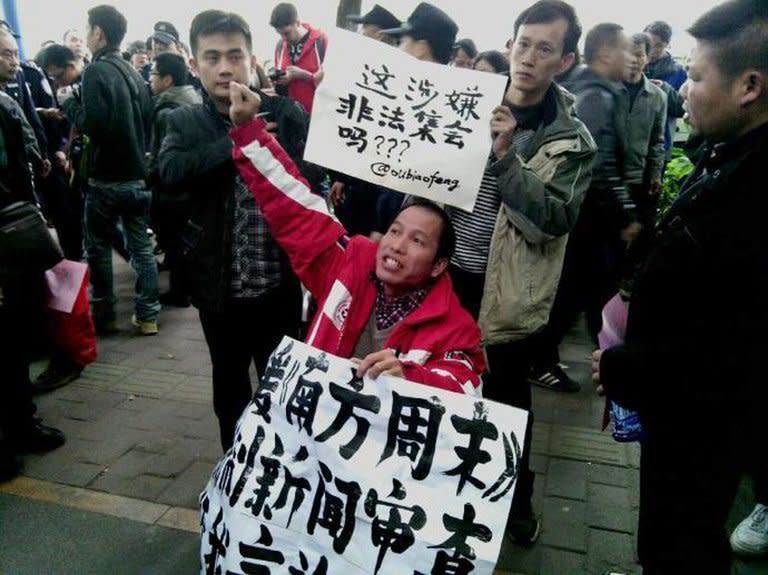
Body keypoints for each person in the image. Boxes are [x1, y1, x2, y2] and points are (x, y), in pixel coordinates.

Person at [593, 0, 768, 571]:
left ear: (749, 85)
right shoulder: (730, 157)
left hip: (700, 423)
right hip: (680, 414)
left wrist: (622, 369)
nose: (683, 91)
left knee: (683, 539)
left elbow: (728, 350)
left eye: (694, 77)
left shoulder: (753, 202)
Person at [445, 0, 595, 543]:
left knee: (508, 404)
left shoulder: (573, 141)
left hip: (508, 294)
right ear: (510, 45)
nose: (529, 58)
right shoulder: (466, 104)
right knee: (443, 394)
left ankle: (518, 501)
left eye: (545, 49)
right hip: (451, 277)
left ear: (565, 60)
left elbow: (553, 218)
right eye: (522, 43)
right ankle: (445, 495)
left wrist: (507, 158)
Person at [228, 82, 485, 395]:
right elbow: (293, 207)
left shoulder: (456, 327)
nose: (397, 246)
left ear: (438, 265)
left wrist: (410, 379)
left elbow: (465, 386)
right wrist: (250, 133)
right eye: (394, 230)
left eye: (417, 241)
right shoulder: (346, 267)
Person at [158, 10, 307, 450]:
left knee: (284, 390)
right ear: (196, 64)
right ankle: (238, 472)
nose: (224, 67)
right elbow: (168, 173)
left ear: (251, 59)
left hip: (279, 285)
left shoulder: (286, 112)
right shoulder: (184, 122)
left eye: (234, 55)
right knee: (229, 390)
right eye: (212, 57)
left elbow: (312, 180)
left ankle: (284, 474)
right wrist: (240, 138)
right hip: (218, 289)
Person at [528, 22, 638, 393]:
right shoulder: (596, 95)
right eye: (626, 49)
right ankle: (547, 361)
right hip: (587, 220)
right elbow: (597, 161)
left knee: (586, 294)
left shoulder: (584, 87)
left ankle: (602, 361)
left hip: (582, 218)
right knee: (577, 293)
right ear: (605, 53)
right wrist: (624, 216)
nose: (632, 57)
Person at [61, 5, 158, 336]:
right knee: (142, 249)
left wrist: (68, 103)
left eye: (87, 30)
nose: (86, 37)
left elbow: (94, 125)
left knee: (98, 247)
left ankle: (105, 316)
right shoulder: (133, 71)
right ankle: (148, 316)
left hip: (106, 180)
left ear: (99, 32)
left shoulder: (96, 71)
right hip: (137, 175)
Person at [0, 92, 65, 482]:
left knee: (13, 339)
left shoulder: (5, 104)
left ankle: (22, 423)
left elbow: (23, 166)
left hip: (11, 236)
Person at [148, 52, 201, 309]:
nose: (149, 80)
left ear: (167, 79)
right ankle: (187, 289)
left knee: (175, 243)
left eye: (153, 75)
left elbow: (160, 156)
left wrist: (148, 178)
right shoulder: (193, 97)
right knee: (184, 242)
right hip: (192, 186)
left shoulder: (166, 111)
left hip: (173, 190)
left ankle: (180, 293)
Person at [623, 33, 666, 229]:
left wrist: (655, 174)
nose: (633, 60)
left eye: (639, 55)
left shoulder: (657, 97)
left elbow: (657, 140)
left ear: (647, 58)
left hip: (636, 178)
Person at [270, 3, 327, 115]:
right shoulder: (280, 46)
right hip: (291, 118)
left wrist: (306, 76)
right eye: (279, 34)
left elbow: (334, 82)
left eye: (287, 33)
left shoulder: (321, 42)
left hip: (318, 117)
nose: (284, 38)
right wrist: (280, 81)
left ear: (297, 23)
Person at [643, 20, 687, 157]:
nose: (652, 50)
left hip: (661, 144)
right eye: (649, 44)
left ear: (668, 44)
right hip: (632, 143)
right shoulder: (633, 64)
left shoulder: (678, 72)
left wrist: (665, 90)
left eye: (658, 46)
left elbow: (683, 108)